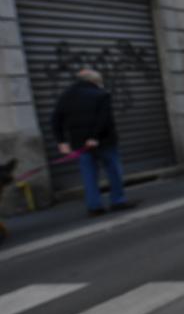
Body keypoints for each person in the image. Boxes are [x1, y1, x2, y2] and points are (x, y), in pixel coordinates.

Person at [51, 68, 137, 216]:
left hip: (79, 144)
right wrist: (94, 137)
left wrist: (62, 141)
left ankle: (94, 207)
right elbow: (104, 119)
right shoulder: (101, 94)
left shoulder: (66, 96)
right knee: (113, 171)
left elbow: (56, 119)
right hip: (104, 141)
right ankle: (118, 201)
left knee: (89, 175)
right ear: (95, 81)